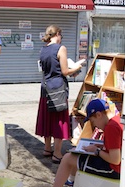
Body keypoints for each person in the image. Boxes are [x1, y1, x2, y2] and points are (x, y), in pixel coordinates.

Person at [31, 98, 125, 187]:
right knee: (75, 155)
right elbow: (117, 147)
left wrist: (96, 151)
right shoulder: (118, 120)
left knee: (68, 158)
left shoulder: (111, 127)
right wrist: (99, 147)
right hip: (124, 167)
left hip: (115, 170)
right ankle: (72, 181)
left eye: (93, 121)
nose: (95, 126)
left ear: (98, 115)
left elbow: (115, 159)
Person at [36, 25, 83, 164]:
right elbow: (64, 71)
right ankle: (57, 153)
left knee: (47, 118)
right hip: (57, 88)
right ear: (57, 34)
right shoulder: (60, 48)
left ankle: (47, 148)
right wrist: (77, 67)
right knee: (58, 120)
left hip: (45, 88)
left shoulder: (43, 49)